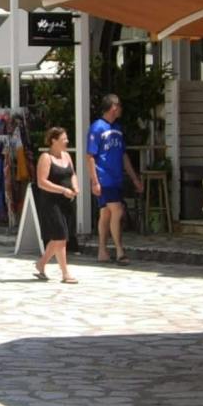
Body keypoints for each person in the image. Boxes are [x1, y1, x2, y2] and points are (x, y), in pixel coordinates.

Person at [85, 93, 142, 263]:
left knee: (106, 214)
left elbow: (123, 155)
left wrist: (134, 178)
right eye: (119, 106)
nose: (121, 109)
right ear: (114, 107)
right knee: (118, 210)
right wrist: (95, 181)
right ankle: (119, 250)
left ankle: (102, 251)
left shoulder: (117, 129)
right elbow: (90, 155)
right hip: (104, 177)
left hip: (116, 177)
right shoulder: (97, 128)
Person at [31, 125, 78, 282]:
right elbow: (41, 182)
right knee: (60, 236)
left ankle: (41, 263)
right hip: (51, 202)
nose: (67, 141)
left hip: (66, 201)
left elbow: (72, 174)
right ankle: (65, 273)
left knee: (61, 237)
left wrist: (75, 187)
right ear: (53, 141)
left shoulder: (67, 156)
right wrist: (63, 190)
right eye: (64, 139)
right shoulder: (46, 158)